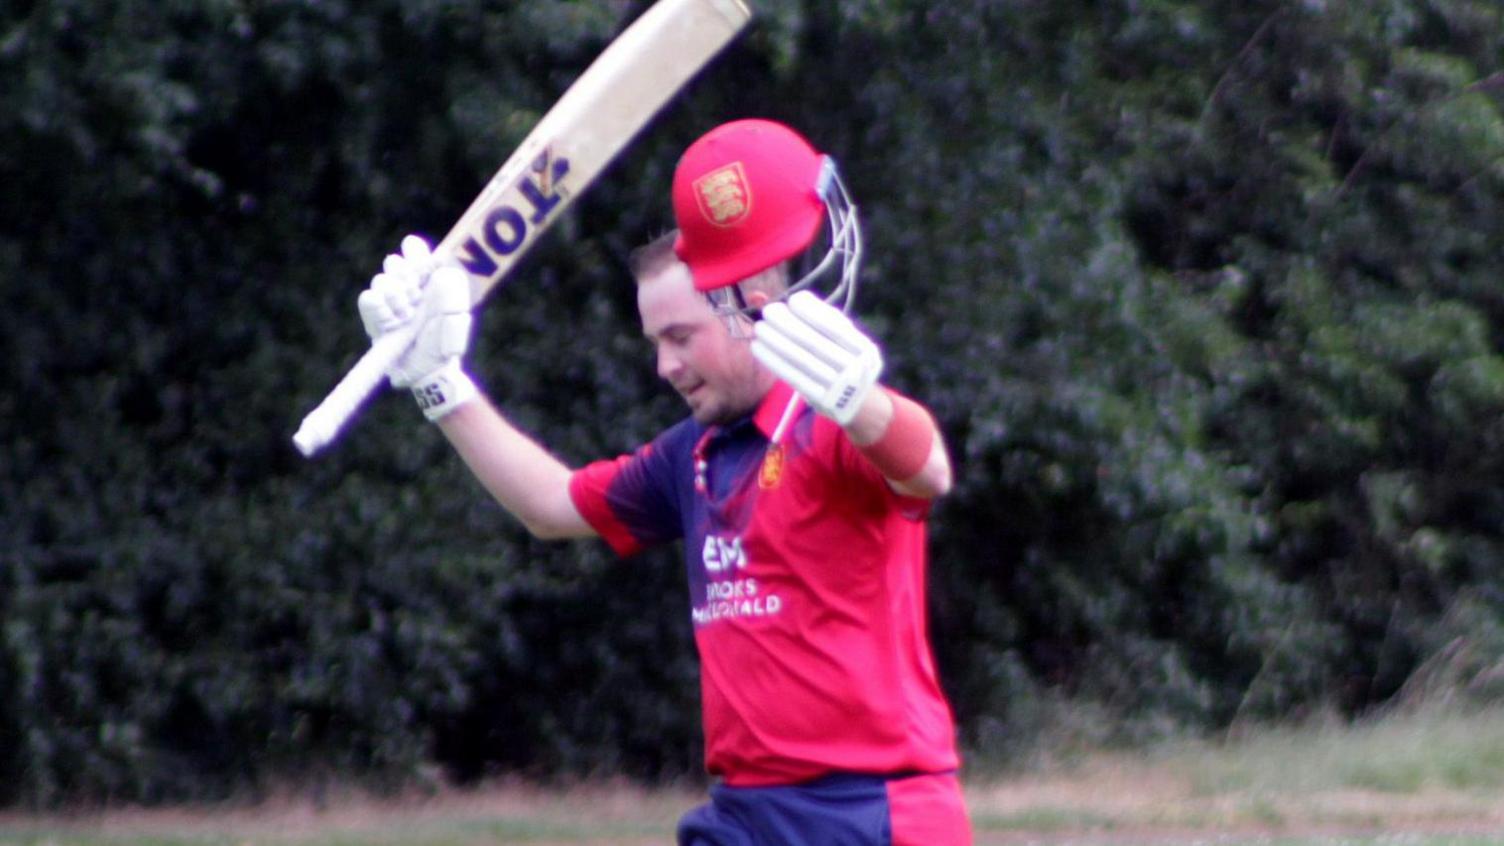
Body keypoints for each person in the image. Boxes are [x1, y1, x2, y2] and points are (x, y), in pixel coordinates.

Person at [357, 118, 972, 845]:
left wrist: (862, 402)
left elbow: (927, 467)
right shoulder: (693, 456)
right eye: (656, 343)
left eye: (681, 338)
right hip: (747, 813)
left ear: (752, 307)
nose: (665, 366)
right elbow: (552, 505)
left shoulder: (833, 427)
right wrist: (438, 385)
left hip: (878, 813)